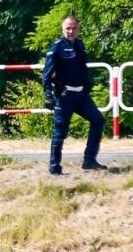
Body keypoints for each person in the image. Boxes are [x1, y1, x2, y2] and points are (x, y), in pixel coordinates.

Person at [41, 14, 105, 175]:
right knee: (60, 131)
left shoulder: (80, 45)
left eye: (74, 28)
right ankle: (54, 168)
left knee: (98, 120)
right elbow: (46, 75)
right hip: (65, 96)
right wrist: (48, 95)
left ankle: (89, 160)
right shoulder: (56, 47)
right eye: (68, 28)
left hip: (81, 95)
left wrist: (87, 86)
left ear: (78, 29)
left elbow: (83, 68)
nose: (71, 31)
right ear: (63, 29)